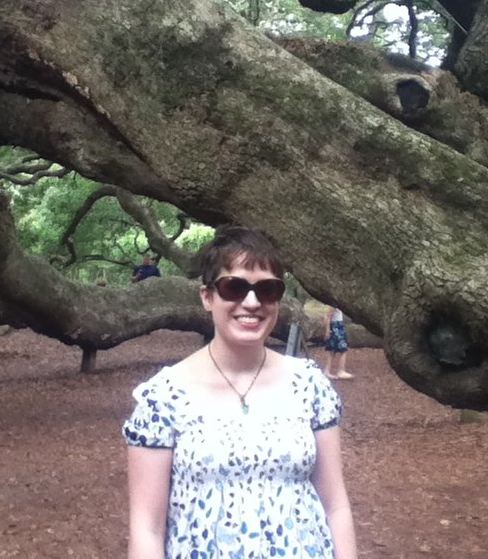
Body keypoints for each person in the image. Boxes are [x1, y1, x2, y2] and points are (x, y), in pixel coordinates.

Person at [123, 226, 358, 559]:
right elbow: (147, 528)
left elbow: (336, 506)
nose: (252, 302)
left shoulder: (309, 385)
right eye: (234, 287)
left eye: (267, 289)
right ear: (207, 297)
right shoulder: (164, 398)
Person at [323, 306, 354, 380]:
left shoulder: (336, 304)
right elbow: (328, 316)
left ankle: (327, 371)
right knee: (343, 348)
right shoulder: (334, 304)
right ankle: (340, 371)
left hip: (338, 325)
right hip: (336, 326)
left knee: (333, 350)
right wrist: (327, 330)